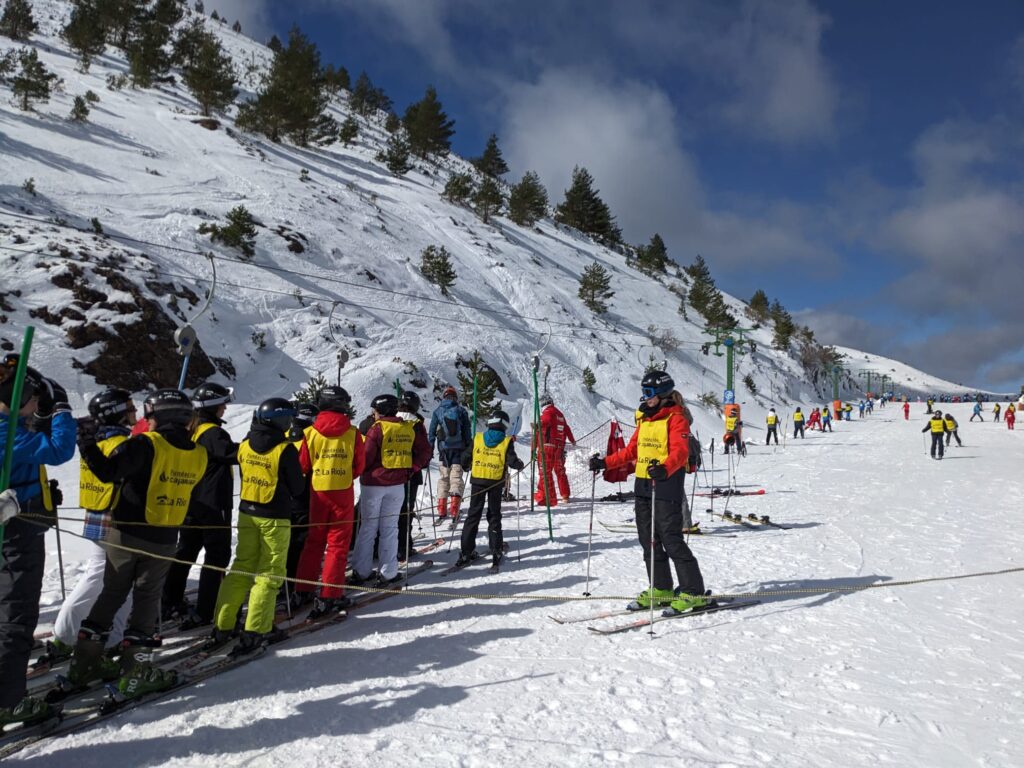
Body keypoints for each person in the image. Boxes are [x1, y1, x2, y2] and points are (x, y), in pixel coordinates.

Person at [68, 389, 207, 698]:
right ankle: (135, 672)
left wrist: (86, 443)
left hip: (126, 532)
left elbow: (108, 473)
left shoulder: (145, 444)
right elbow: (191, 494)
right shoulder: (198, 453)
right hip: (165, 535)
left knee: (111, 594)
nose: (146, 421)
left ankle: (84, 664)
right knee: (146, 600)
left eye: (151, 416)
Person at [588, 371, 707, 615]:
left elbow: (680, 452)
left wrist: (664, 468)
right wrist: (606, 463)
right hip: (643, 485)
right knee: (649, 540)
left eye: (650, 393)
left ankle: (693, 592)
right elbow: (632, 450)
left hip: (666, 484)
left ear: (663, 394)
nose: (645, 398)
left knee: (671, 539)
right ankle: (661, 588)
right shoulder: (645, 418)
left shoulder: (676, 418)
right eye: (643, 392)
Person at [0, 363, 76, 726]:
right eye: (34, 400)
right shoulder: (5, 433)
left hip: (17, 524)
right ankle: (8, 702)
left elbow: (32, 448)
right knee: (15, 618)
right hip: (16, 536)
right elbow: (60, 449)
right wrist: (60, 408)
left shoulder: (11, 429)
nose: (36, 406)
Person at [45, 390, 136, 666]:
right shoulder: (121, 443)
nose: (135, 411)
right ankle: (95, 636)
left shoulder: (94, 439)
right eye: (130, 407)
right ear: (117, 411)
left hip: (98, 512)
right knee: (116, 580)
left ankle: (69, 632)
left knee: (100, 577)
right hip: (117, 516)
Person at [211, 399, 304, 655]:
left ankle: (223, 624)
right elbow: (298, 488)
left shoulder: (245, 444)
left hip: (247, 514)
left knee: (241, 568)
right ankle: (257, 629)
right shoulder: (284, 450)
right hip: (274, 517)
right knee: (269, 574)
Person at [162, 382, 237, 630]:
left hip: (191, 499)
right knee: (216, 555)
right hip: (214, 502)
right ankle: (206, 609)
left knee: (185, 551)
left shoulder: (191, 429)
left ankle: (169, 600)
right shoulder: (213, 433)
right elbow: (232, 454)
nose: (225, 407)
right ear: (213, 406)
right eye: (222, 403)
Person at [292, 386, 364, 619]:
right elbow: (359, 466)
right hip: (342, 492)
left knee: (314, 542)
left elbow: (302, 464)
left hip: (318, 492)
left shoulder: (311, 433)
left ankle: (302, 589)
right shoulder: (352, 433)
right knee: (337, 545)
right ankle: (330, 594)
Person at [351, 394, 430, 588]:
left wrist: (357, 471)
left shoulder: (378, 428)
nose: (373, 414)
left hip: (374, 484)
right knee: (390, 529)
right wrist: (413, 467)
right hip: (397, 485)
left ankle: (362, 571)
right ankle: (389, 572)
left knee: (368, 528)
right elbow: (426, 451)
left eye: (375, 411)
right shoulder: (407, 427)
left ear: (382, 411)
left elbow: (366, 456)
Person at [456, 409, 525, 568]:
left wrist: (466, 466)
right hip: (495, 483)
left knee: (473, 515)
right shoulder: (506, 441)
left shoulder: (479, 437)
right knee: (494, 516)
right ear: (505, 425)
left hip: (478, 482)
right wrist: (520, 465)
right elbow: (512, 461)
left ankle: (466, 552)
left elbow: (465, 457)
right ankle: (496, 550)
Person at [428, 386, 472, 522]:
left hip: (443, 450)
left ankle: (442, 509)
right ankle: (454, 509)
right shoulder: (461, 411)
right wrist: (468, 448)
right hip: (459, 449)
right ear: (455, 397)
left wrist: (430, 450)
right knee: (456, 478)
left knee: (444, 479)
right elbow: (466, 431)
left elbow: (431, 432)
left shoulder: (437, 411)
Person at [396, 391, 428, 561]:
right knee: (406, 511)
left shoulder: (389, 420)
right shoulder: (416, 423)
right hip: (410, 473)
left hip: (390, 473)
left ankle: (383, 546)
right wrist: (417, 466)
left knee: (389, 512)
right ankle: (403, 546)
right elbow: (424, 449)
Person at [535, 393, 577, 506]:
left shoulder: (547, 412)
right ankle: (565, 495)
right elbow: (567, 428)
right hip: (559, 447)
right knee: (560, 471)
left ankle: (548, 497)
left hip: (547, 446)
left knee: (545, 472)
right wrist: (572, 440)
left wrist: (539, 424)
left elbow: (545, 421)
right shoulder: (560, 414)